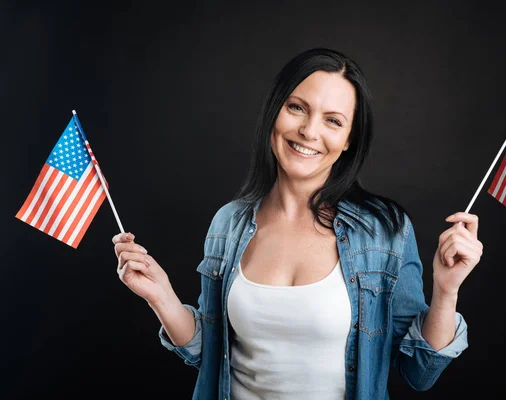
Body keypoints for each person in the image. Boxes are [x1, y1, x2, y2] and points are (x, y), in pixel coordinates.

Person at [112, 47, 483, 400]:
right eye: (297, 108)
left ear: (349, 140)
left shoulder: (384, 231)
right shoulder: (228, 223)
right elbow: (208, 352)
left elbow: (419, 372)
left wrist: (447, 290)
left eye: (332, 121)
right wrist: (161, 296)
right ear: (276, 110)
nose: (308, 131)